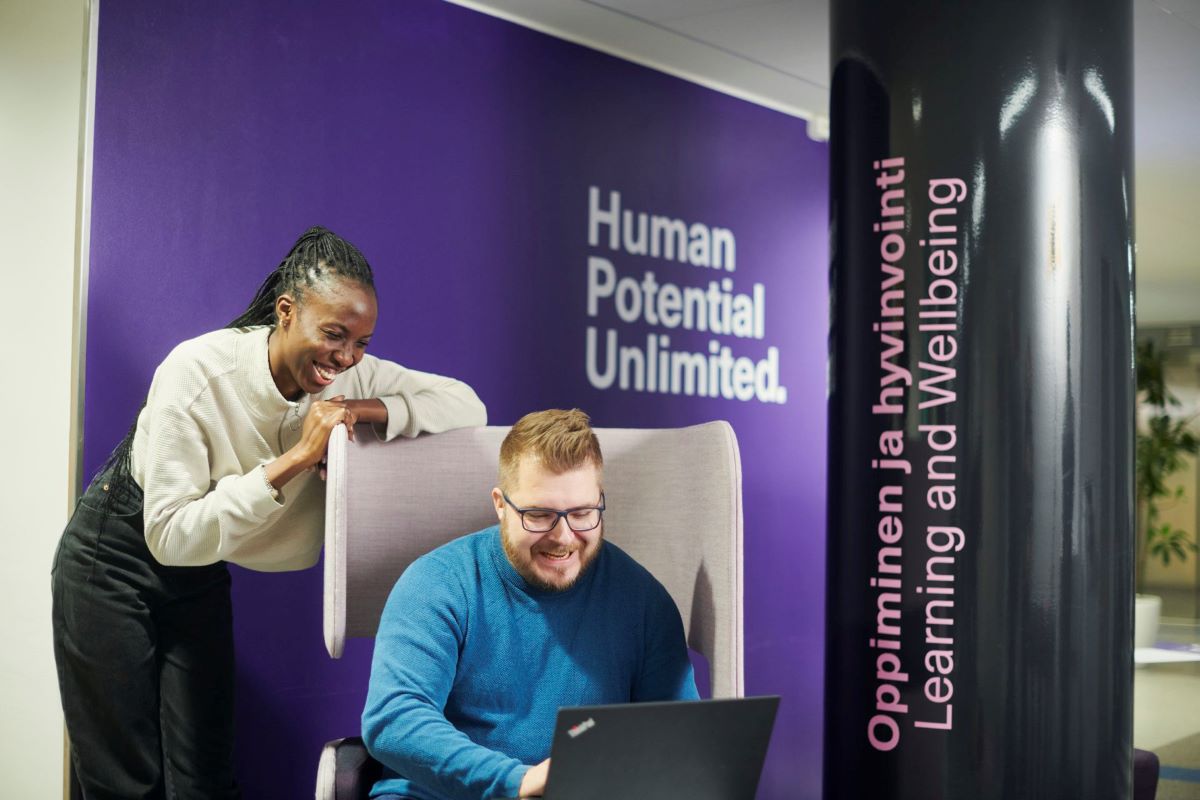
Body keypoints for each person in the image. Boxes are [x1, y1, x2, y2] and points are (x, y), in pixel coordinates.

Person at [51, 226, 487, 799]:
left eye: (362, 342)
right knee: (124, 783)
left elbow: (466, 405)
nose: (347, 356)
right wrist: (301, 457)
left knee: (204, 780)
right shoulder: (198, 370)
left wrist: (353, 410)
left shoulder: (349, 375)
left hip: (200, 567)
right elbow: (168, 535)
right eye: (334, 334)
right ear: (286, 311)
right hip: (114, 556)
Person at [362, 408, 698, 800]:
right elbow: (394, 720)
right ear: (500, 505)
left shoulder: (644, 603)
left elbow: (679, 745)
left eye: (582, 513)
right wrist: (516, 781)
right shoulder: (437, 583)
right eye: (539, 515)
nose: (564, 537)